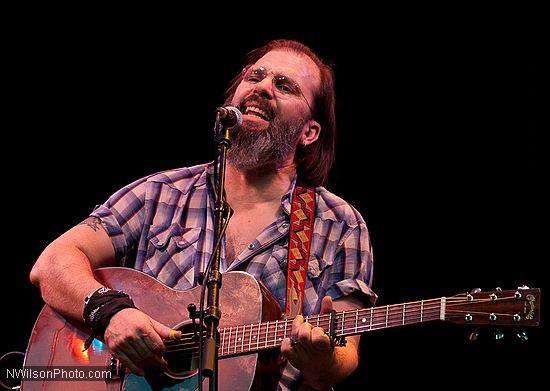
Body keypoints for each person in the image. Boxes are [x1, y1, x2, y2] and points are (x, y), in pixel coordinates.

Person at [29, 39, 376, 390]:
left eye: (285, 86)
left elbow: (343, 357)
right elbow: (52, 263)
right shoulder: (160, 192)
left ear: (309, 132)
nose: (263, 87)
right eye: (255, 76)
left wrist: (323, 360)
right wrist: (111, 312)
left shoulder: (339, 224)